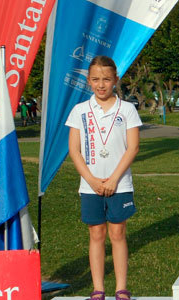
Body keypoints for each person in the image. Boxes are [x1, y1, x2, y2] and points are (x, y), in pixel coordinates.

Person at [65, 55, 141, 300]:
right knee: (96, 234)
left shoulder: (127, 109)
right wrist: (93, 181)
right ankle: (98, 288)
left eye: (106, 79)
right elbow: (74, 150)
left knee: (117, 233)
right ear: (88, 81)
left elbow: (133, 148)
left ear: (115, 80)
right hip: (90, 186)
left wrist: (113, 180)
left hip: (120, 183)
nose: (101, 84)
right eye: (96, 79)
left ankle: (121, 288)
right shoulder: (80, 111)